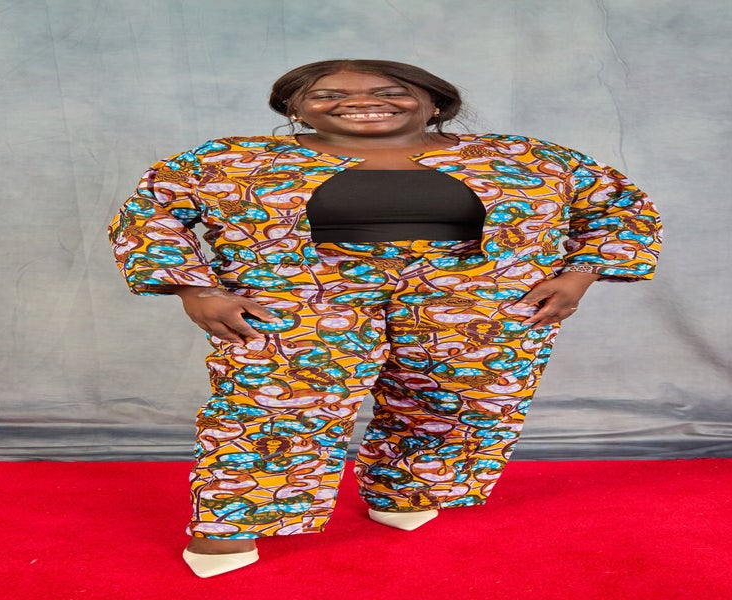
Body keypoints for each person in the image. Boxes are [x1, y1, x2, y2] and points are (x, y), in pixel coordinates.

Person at [108, 59, 661, 578]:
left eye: (390, 92)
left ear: (436, 104)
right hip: (298, 293)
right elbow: (149, 213)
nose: (359, 102)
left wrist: (580, 274)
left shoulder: (527, 156)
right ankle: (229, 527)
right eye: (327, 95)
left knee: (455, 399)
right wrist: (196, 288)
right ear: (294, 109)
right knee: (275, 406)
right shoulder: (227, 159)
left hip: (479, 296)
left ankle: (407, 490)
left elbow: (620, 206)